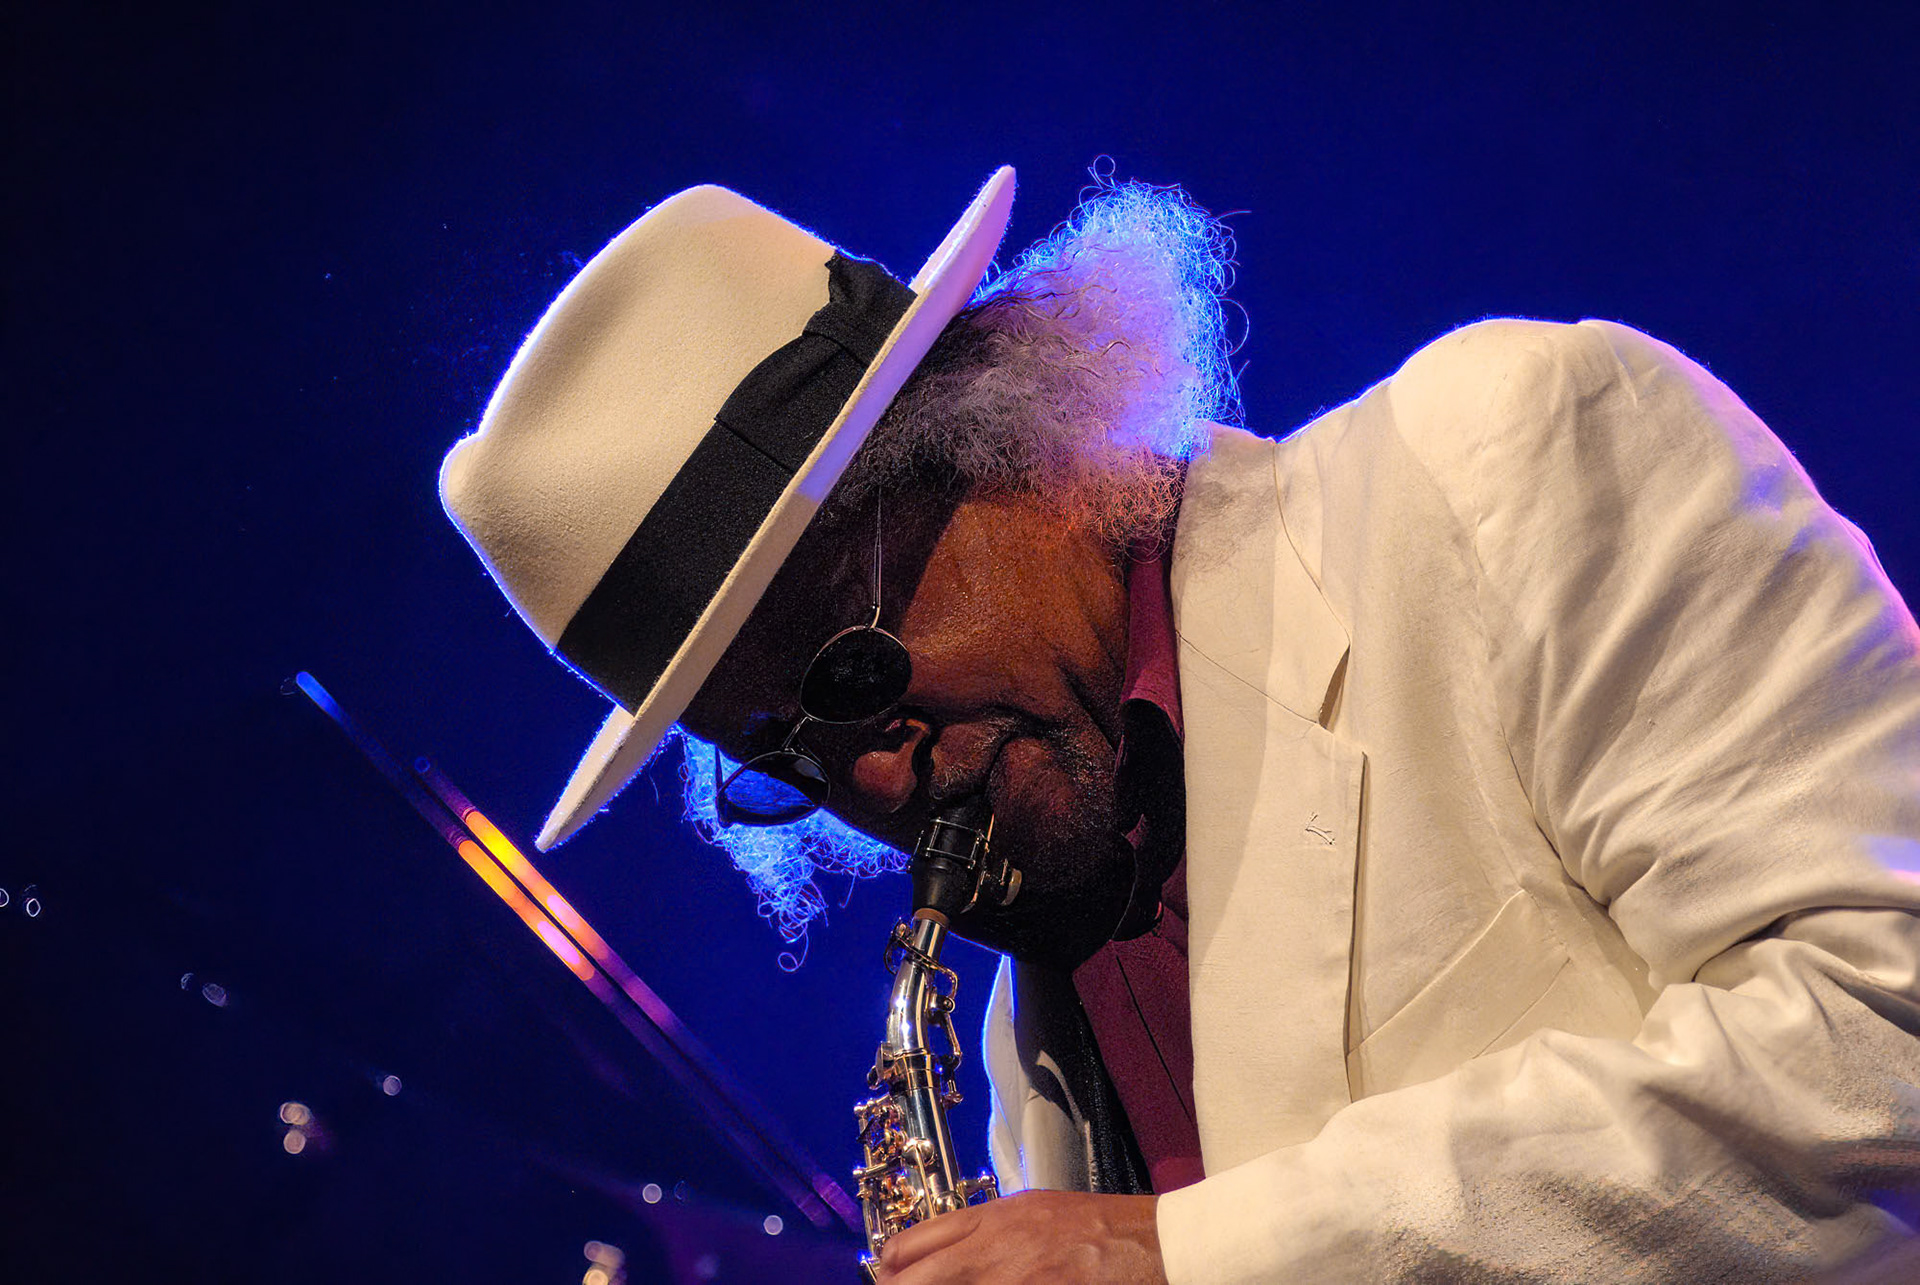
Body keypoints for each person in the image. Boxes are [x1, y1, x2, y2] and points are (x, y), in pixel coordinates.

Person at [439, 167, 1920, 1282]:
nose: (876, 779)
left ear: (1007, 443)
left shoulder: (1505, 453)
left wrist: (1182, 1256)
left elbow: (1881, 1030)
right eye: (785, 752)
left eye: (847, 674)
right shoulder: (1028, 1027)